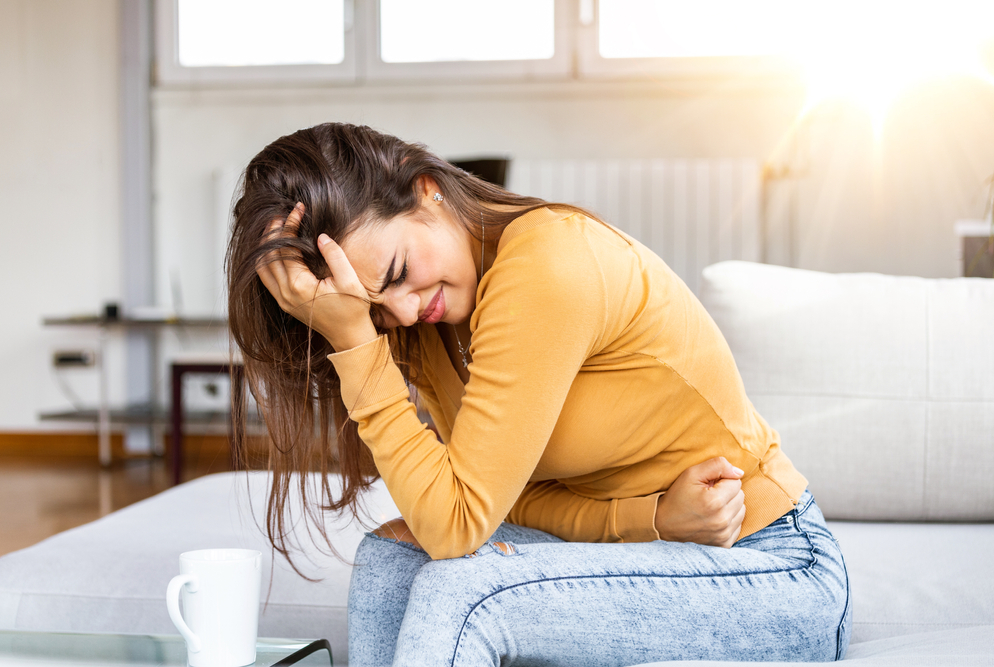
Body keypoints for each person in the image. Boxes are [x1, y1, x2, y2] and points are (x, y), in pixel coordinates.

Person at [226, 122, 851, 667]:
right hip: (665, 542)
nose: (405, 311)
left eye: (397, 274)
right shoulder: (431, 322)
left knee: (461, 593)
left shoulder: (547, 263)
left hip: (769, 564)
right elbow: (504, 503)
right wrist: (650, 522)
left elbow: (457, 526)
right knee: (389, 564)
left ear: (427, 191)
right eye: (371, 311)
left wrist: (355, 342)